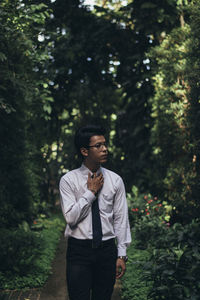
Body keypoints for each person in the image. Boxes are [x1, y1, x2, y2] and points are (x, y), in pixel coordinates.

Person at [59, 124, 131, 300]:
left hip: (106, 250)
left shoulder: (115, 180)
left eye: (105, 144)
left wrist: (121, 254)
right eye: (98, 146)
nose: (105, 149)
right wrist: (90, 193)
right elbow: (71, 218)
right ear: (84, 151)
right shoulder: (68, 180)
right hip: (79, 251)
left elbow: (121, 219)